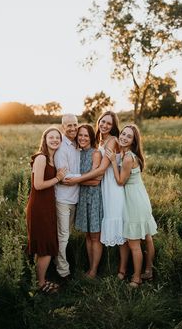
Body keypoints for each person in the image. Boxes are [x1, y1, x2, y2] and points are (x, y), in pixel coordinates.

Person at [64, 111, 128, 279]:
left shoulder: (112, 141)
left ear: (113, 126)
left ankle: (121, 270)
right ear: (98, 122)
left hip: (111, 185)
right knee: (92, 232)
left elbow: (100, 170)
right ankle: (96, 268)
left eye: (109, 123)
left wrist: (76, 180)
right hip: (101, 186)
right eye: (102, 122)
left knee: (118, 226)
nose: (104, 125)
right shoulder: (98, 142)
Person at [106, 124, 157, 288]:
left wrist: (114, 162)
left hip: (134, 202)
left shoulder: (128, 157)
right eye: (123, 134)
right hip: (140, 198)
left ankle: (137, 278)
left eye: (128, 136)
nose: (124, 137)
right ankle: (148, 271)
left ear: (134, 140)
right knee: (147, 237)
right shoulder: (130, 154)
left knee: (134, 243)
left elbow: (120, 181)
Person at [26, 127, 67, 293]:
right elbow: (38, 185)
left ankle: (38, 280)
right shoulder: (41, 158)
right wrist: (58, 178)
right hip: (39, 207)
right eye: (51, 137)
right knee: (47, 246)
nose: (55, 140)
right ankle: (41, 284)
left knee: (43, 244)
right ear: (45, 139)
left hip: (47, 206)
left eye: (58, 137)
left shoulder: (52, 158)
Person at [74, 124, 103, 278]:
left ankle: (93, 270)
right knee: (87, 235)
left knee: (95, 236)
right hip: (82, 197)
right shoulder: (78, 153)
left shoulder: (95, 154)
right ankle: (91, 267)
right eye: (80, 135)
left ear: (91, 137)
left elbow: (95, 181)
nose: (82, 138)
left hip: (93, 198)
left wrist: (74, 181)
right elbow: (88, 178)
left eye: (86, 135)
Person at [54, 114, 80, 281]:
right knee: (63, 236)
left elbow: (73, 177)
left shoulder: (77, 144)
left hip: (74, 198)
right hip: (63, 199)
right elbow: (65, 178)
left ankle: (63, 264)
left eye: (75, 125)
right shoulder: (61, 147)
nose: (72, 128)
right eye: (69, 125)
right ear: (63, 127)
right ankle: (63, 272)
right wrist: (89, 177)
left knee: (67, 235)